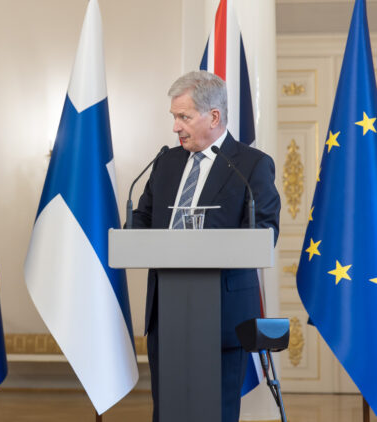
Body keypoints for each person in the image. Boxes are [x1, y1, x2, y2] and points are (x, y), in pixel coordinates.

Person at [131, 70, 280, 422]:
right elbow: (142, 218)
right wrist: (129, 236)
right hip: (166, 311)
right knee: (167, 410)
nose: (175, 127)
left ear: (213, 116)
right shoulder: (166, 162)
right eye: (174, 117)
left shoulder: (251, 165)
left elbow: (264, 231)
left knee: (217, 410)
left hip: (223, 314)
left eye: (184, 117)